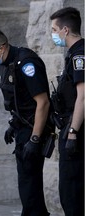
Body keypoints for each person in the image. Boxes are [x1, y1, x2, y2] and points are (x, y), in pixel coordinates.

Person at [0, 29, 52, 216]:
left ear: (2, 47)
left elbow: (42, 102)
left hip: (34, 128)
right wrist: (13, 125)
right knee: (26, 183)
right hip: (22, 127)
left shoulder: (26, 63)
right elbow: (18, 100)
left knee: (30, 183)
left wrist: (35, 139)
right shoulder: (5, 64)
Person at [50, 7, 84, 216]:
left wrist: (73, 133)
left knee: (70, 191)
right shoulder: (74, 53)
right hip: (70, 125)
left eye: (54, 30)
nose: (52, 34)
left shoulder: (79, 55)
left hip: (75, 129)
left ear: (65, 30)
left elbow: (83, 96)